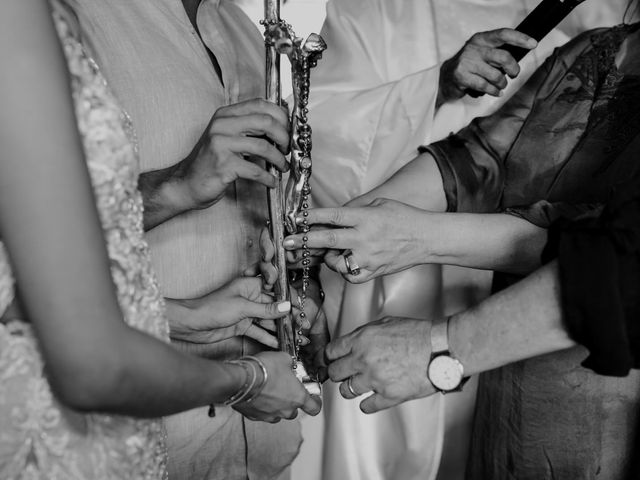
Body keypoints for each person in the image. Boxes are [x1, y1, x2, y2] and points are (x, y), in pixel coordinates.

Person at [284, 5, 640, 477]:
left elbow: (612, 252)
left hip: (605, 377)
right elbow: (477, 159)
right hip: (512, 379)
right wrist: (316, 253)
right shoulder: (603, 49)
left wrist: (438, 346)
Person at [0, 0, 321, 478]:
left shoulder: (252, 34)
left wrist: (298, 289)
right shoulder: (57, 21)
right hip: (132, 426)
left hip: (260, 439)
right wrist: (177, 185)